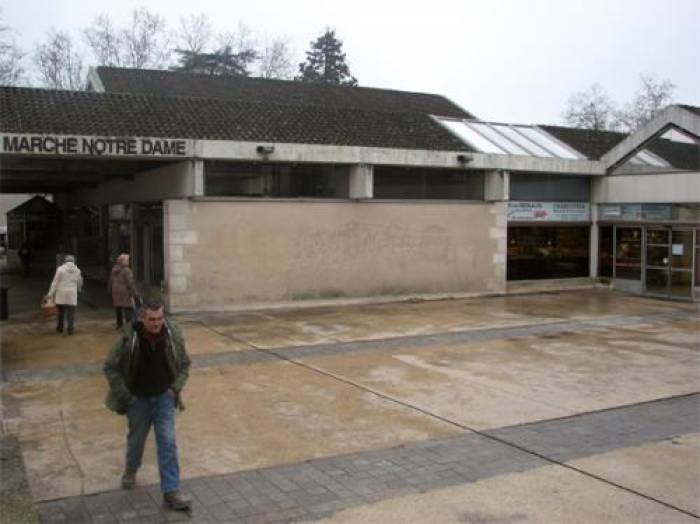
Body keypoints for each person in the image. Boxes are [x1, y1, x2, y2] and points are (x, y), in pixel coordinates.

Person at [103, 299, 192, 511]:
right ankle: (131, 469)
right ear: (142, 317)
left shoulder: (172, 335)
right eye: (151, 319)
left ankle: (171, 491)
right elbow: (110, 367)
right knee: (136, 442)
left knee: (168, 443)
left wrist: (174, 389)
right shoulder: (128, 337)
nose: (156, 324)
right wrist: (126, 396)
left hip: (163, 399)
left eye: (160, 318)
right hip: (138, 401)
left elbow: (185, 364)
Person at [46, 254, 83, 335]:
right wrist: (79, 289)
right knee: (71, 313)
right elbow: (80, 282)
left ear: (65, 261)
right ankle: (70, 329)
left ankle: (60, 328)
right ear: (73, 261)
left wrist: (50, 294)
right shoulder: (77, 270)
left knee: (61, 312)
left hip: (61, 294)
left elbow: (55, 283)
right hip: (72, 295)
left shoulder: (60, 269)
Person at [108, 253, 138, 330]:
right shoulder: (126, 270)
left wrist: (110, 290)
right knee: (128, 307)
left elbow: (110, 280)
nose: (128, 261)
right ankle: (129, 326)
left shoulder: (114, 269)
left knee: (118, 307)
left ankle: (119, 325)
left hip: (115, 291)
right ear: (122, 261)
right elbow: (130, 282)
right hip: (125, 291)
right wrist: (135, 293)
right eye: (127, 260)